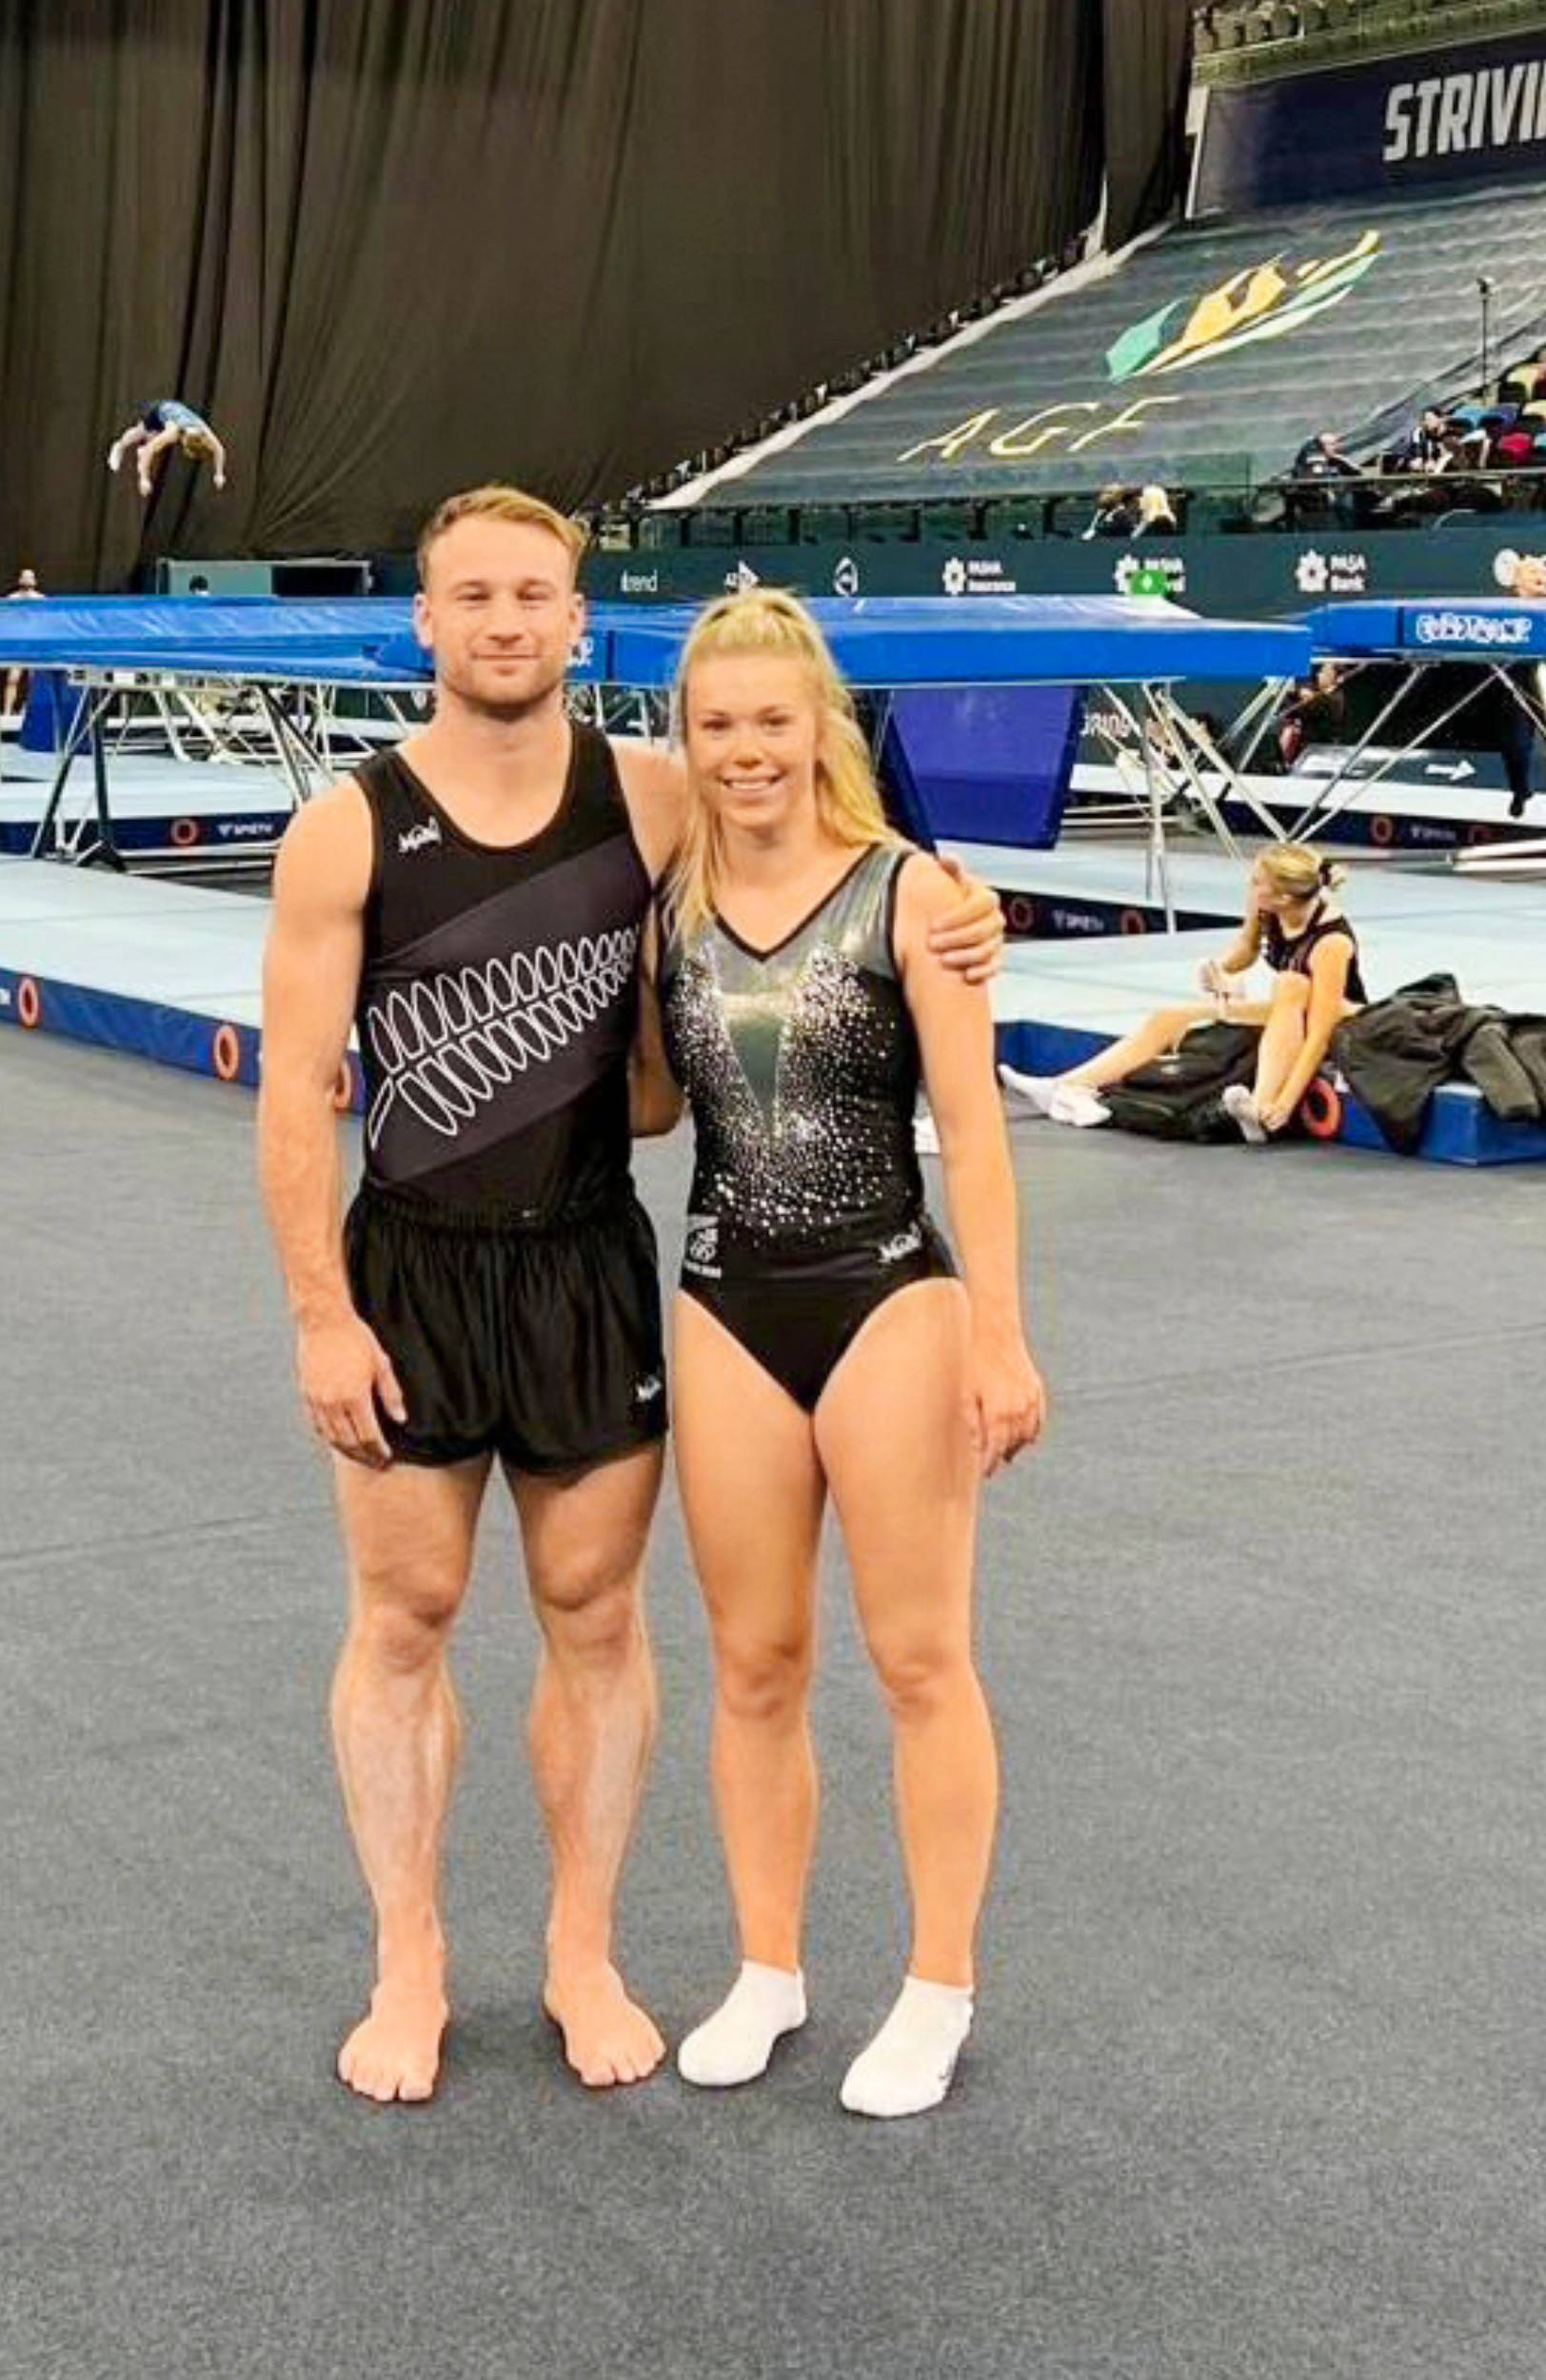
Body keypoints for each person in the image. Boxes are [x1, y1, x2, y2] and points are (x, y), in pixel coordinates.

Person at [255, 486, 1006, 2106]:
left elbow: (817, 841)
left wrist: (965, 914)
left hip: (594, 1262)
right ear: (428, 620)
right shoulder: (351, 829)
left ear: (579, 622)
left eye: (536, 594)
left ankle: (583, 1951)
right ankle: (412, 1960)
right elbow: (293, 1089)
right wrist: (322, 1313)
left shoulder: (654, 797)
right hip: (415, 1264)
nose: (507, 622)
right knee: (405, 1619)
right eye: (475, 596)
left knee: (598, 1617)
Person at [634, 590, 1044, 2118]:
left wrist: (999, 1335)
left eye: (771, 721)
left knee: (920, 1657)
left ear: (823, 728)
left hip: (887, 1293)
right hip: (728, 1292)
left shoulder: (911, 895)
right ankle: (767, 1965)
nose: (745, 751)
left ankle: (937, 1984)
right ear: (688, 738)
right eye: (717, 724)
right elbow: (657, 1109)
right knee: (753, 1664)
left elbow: (979, 1140)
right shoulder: (667, 896)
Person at [1000, 843, 1366, 1146]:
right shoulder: (1267, 907)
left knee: (1291, 985)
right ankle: (1066, 1085)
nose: (1250, 887)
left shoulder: (1331, 942)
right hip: (1289, 1009)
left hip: (1340, 1017)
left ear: (1284, 896)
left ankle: (1265, 1105)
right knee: (1169, 1018)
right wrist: (1219, 968)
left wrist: (1287, 1103)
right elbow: (1247, 948)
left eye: (1257, 883)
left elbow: (1320, 1029)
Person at [108, 400, 227, 498]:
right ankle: (119, 446)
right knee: (141, 433)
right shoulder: (172, 433)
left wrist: (219, 473)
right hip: (157, 411)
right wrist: (144, 479)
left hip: (173, 412)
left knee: (153, 442)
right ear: (185, 442)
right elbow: (150, 450)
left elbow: (220, 450)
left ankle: (144, 449)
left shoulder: (204, 430)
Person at [1276, 659, 1345, 769]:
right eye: (1321, 671)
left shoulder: (1335, 698)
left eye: (1325, 672)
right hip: (1302, 747)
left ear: (1337, 678)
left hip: (1318, 752)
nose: (1319, 675)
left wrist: (1304, 695)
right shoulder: (1315, 690)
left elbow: (1318, 707)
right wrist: (1300, 691)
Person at [2, 565, 45, 721]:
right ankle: (7, 711)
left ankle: (28, 709)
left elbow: (46, 622)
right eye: (24, 577)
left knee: (34, 679)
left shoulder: (41, 599)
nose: (27, 580)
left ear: (35, 581)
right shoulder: (11, 599)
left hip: (34, 642)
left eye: (30, 577)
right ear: (20, 580)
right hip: (17, 642)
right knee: (13, 677)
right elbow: (4, 620)